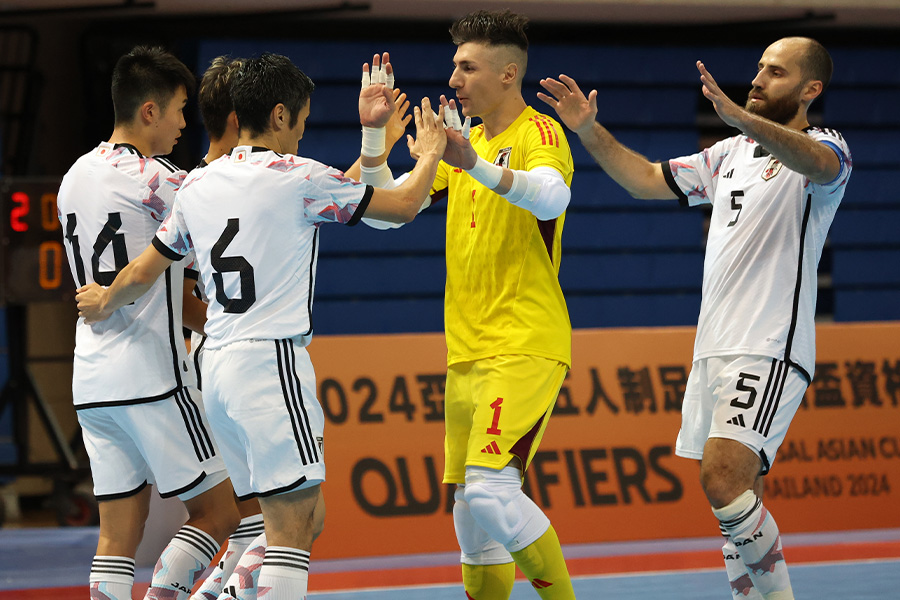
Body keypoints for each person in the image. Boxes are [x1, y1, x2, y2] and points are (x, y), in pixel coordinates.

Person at [75, 52, 447, 600]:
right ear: (279, 115)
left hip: (217, 370)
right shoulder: (299, 178)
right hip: (272, 364)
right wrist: (433, 154)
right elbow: (402, 205)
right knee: (292, 533)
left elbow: (143, 269)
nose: (301, 133)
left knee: (280, 522)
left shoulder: (198, 186)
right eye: (301, 120)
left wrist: (105, 301)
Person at [538, 37, 851, 600]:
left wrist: (740, 119)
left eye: (775, 73)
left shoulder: (825, 148)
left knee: (722, 477)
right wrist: (587, 130)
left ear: (811, 90)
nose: (757, 79)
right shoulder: (726, 156)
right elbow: (645, 180)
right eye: (758, 68)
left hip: (768, 343)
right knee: (736, 494)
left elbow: (818, 164)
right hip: (712, 348)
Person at [357, 10, 578, 599]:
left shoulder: (539, 133)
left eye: (466, 66)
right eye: (454, 65)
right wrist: (374, 135)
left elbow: (552, 199)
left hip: (526, 341)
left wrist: (472, 165)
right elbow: (386, 209)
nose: (453, 78)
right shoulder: (467, 142)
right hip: (467, 352)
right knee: (469, 517)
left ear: (508, 74)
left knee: (489, 490)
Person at [56, 46, 240, 600]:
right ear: (150, 112)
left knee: (117, 537)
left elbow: (163, 291)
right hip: (153, 377)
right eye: (182, 110)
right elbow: (226, 205)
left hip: (91, 381)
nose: (186, 124)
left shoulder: (73, 177)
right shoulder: (155, 180)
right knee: (218, 512)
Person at [187, 55, 268, 600]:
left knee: (252, 519)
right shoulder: (252, 180)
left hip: (206, 361)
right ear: (243, 116)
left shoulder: (191, 183)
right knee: (288, 518)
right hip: (238, 353)